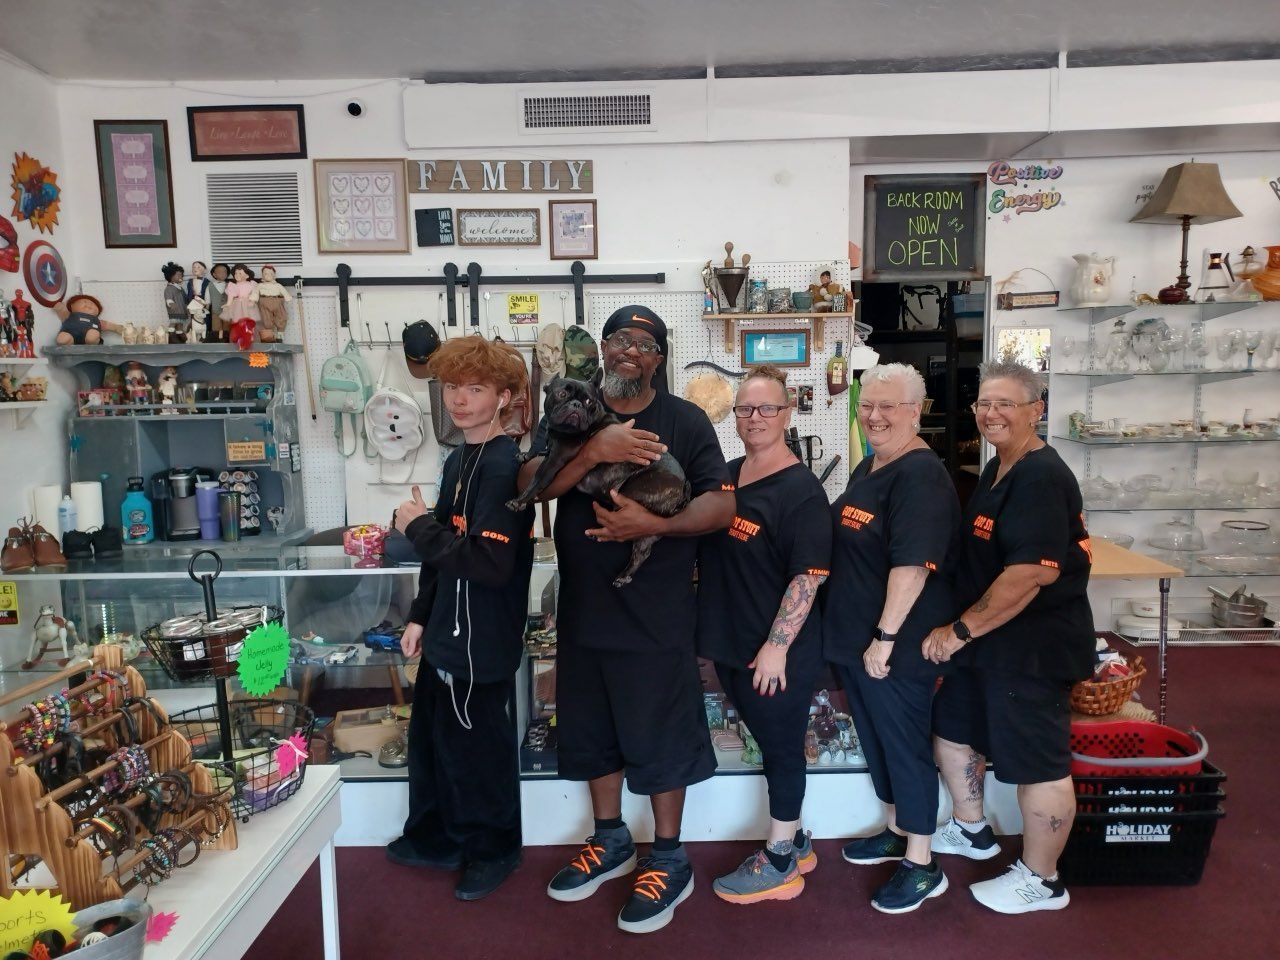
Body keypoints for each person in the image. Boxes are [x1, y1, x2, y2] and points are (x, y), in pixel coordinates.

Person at [521, 305, 734, 934]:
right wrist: (592, 451)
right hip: (584, 610)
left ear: (659, 358)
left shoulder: (685, 419)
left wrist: (655, 524)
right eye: (620, 339)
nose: (629, 351)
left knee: (662, 733)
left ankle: (669, 856)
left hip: (658, 615)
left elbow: (722, 505)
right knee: (592, 729)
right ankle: (611, 840)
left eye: (644, 343)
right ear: (603, 350)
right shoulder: (572, 406)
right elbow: (532, 480)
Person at [923, 360, 1093, 914]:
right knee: (953, 728)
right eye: (983, 404)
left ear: (1035, 410)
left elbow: (1031, 574)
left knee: (1037, 761)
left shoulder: (1041, 476)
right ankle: (972, 831)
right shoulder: (1000, 466)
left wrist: (959, 630)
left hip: (1031, 648)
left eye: (1005, 403)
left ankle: (1041, 880)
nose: (990, 413)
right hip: (988, 645)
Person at [386, 335, 535, 902]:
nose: (460, 399)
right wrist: (421, 614)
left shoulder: (504, 467)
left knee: (478, 752)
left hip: (481, 640)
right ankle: (438, 837)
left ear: (503, 397)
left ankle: (493, 850)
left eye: (475, 388)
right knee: (432, 743)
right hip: (447, 632)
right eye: (452, 386)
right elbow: (444, 552)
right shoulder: (459, 459)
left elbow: (488, 563)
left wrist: (415, 524)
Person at [825, 364, 960, 914]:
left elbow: (912, 568)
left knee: (903, 747)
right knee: (877, 742)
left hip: (894, 648)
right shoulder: (872, 464)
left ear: (915, 412)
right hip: (857, 643)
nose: (874, 416)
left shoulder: (920, 476)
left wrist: (884, 639)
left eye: (888, 407)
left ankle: (922, 862)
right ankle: (897, 830)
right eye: (867, 407)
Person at [696, 365, 830, 904]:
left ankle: (779, 861)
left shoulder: (801, 492)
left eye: (766, 409)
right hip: (731, 645)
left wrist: (776, 649)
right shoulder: (728, 476)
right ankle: (796, 841)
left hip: (773, 654)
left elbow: (808, 577)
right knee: (771, 742)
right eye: (745, 409)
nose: (755, 419)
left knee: (780, 749)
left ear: (788, 412)